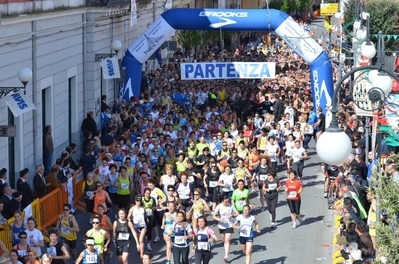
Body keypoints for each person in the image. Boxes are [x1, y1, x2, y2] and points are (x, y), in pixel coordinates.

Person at [212, 195, 238, 262]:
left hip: (229, 225)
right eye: (225, 202)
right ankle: (226, 248)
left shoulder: (231, 206)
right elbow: (213, 216)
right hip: (221, 226)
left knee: (227, 240)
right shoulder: (219, 206)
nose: (227, 203)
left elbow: (237, 213)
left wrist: (232, 215)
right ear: (222, 201)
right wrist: (219, 219)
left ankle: (226, 256)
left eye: (228, 202)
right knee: (224, 240)